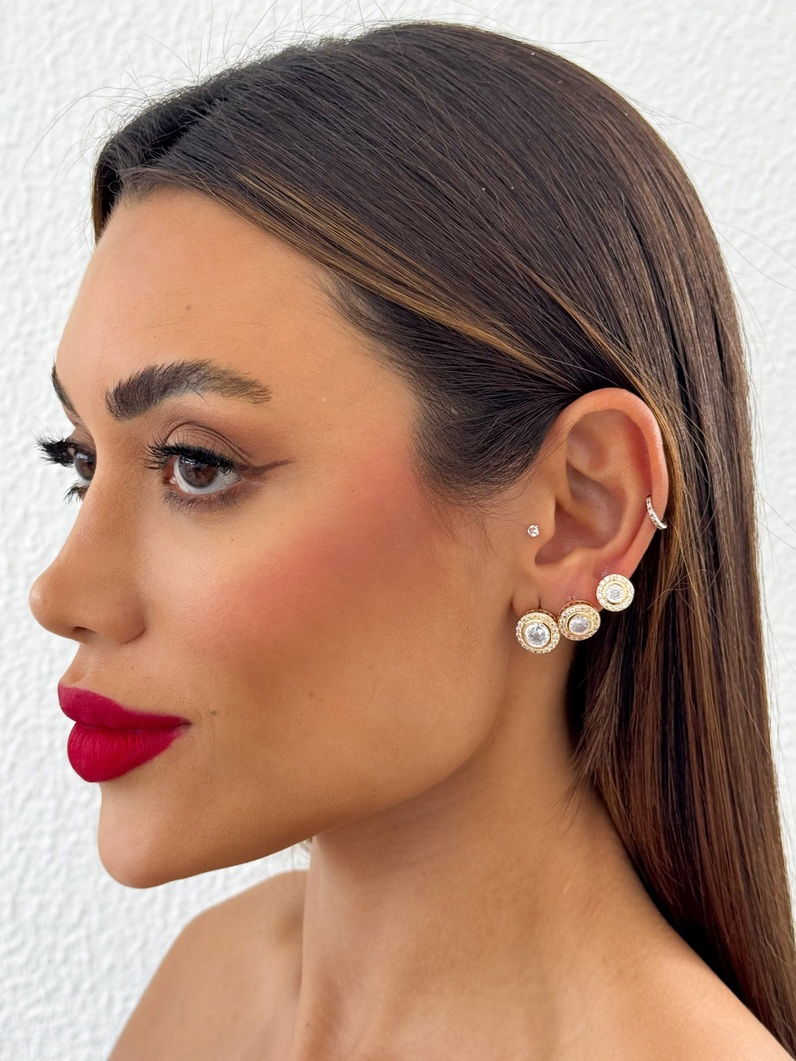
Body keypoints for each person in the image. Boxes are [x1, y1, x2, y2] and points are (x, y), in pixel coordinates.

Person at [28, 19, 796, 1059]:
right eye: (81, 461)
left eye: (196, 463)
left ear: (581, 513)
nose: (62, 591)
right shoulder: (221, 978)